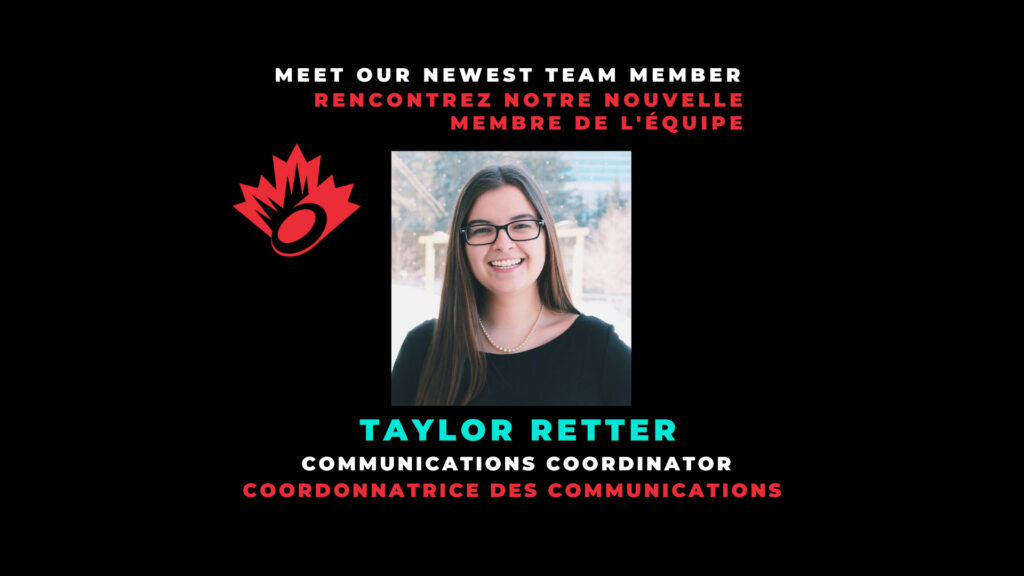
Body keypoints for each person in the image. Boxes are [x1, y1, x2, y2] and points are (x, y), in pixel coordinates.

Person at [392, 164, 630, 406]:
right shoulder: (423, 348)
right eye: (483, 230)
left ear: (546, 236)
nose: (503, 243)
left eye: (521, 226)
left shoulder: (597, 347)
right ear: (462, 246)